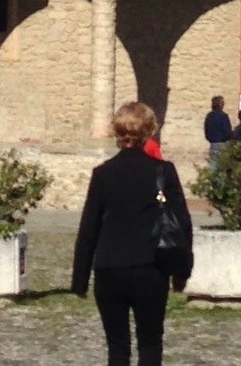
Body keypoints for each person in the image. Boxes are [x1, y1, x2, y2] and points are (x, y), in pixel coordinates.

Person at [72, 100, 193, 366]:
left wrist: (80, 280)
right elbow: (182, 223)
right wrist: (182, 271)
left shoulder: (103, 173)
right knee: (150, 343)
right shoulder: (163, 171)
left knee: (117, 348)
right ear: (149, 132)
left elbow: (89, 227)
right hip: (150, 267)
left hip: (109, 268)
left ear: (117, 134)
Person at [203, 95, 232, 164]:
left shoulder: (209, 116)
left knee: (213, 166)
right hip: (222, 144)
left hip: (213, 143)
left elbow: (206, 131)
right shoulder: (223, 116)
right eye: (222, 103)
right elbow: (227, 132)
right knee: (222, 167)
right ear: (220, 104)